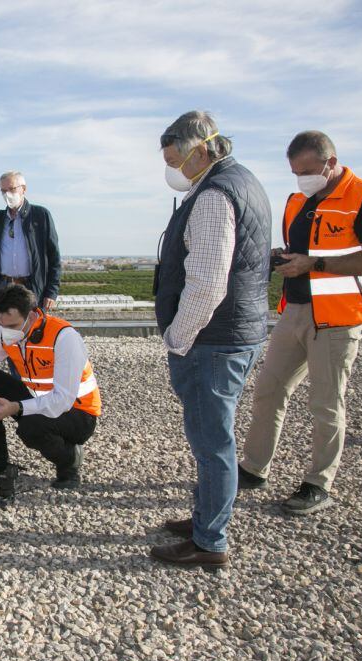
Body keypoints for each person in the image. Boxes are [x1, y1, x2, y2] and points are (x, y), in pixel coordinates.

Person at [239, 131, 362, 515]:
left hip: (339, 318)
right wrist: (284, 258)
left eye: (306, 170)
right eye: (294, 172)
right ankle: (254, 469)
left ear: (330, 162)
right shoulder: (297, 201)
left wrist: (316, 265)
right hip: (295, 309)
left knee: (326, 402)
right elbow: (302, 252)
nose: (300, 179)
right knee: (269, 390)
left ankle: (318, 483)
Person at [150, 110, 271, 570]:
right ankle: (205, 517)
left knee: (212, 442)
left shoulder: (215, 195)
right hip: (235, 332)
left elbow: (206, 283)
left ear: (202, 149)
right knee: (213, 435)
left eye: (177, 159)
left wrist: (178, 338)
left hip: (212, 340)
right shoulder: (242, 181)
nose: (173, 170)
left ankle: (210, 541)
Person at [0, 284, 100, 488]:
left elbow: (62, 399)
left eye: (12, 326)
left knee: (30, 427)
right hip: (37, 399)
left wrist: (17, 407)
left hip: (78, 413)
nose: (6, 332)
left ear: (32, 316)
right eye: (1, 323)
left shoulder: (64, 338)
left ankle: (69, 462)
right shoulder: (4, 332)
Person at [0, 171, 61, 313]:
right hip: (3, 287)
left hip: (31, 287)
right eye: (3, 191)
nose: (7, 194)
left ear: (24, 189)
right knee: (6, 331)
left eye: (11, 189)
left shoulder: (41, 216)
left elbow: (54, 257)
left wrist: (51, 292)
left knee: (32, 331)